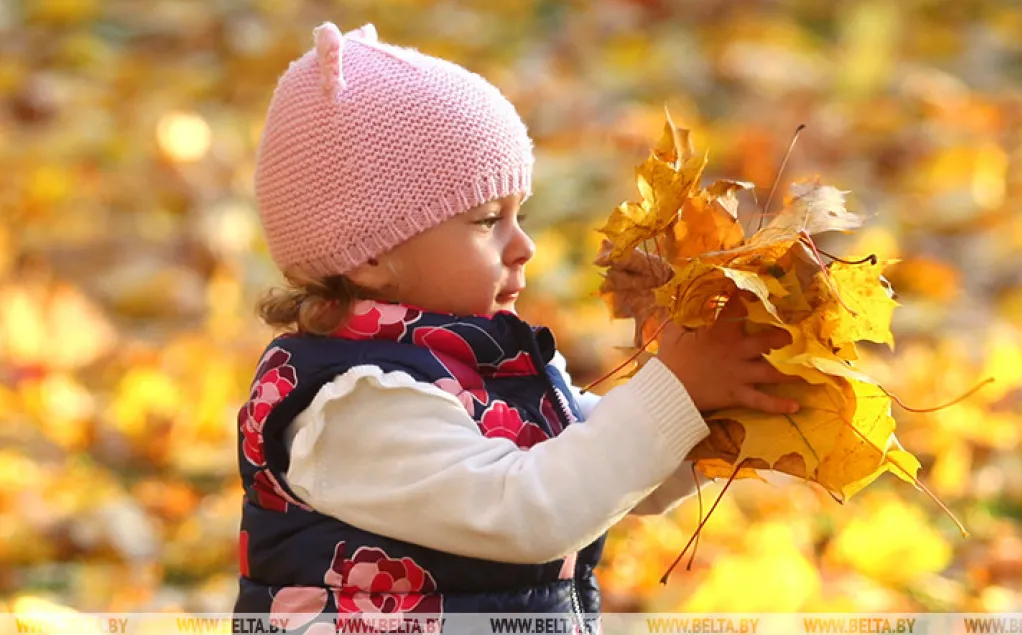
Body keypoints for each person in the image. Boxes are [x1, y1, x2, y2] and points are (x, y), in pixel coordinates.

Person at [233, 21, 800, 629]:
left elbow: (610, 479)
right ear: (370, 254)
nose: (524, 245)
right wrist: (674, 392)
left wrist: (717, 409)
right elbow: (532, 512)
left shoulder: (488, 366)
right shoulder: (355, 406)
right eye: (485, 220)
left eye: (518, 213)